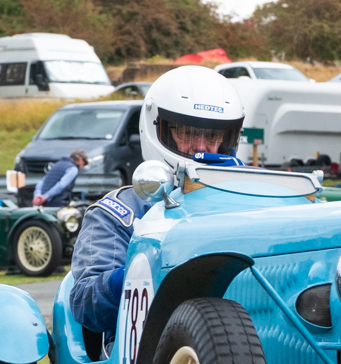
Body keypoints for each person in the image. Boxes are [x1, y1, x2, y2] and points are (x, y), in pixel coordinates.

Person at [70, 66, 246, 338]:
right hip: (148, 346)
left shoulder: (248, 202)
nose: (201, 147)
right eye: (188, 133)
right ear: (157, 128)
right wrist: (143, 270)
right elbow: (86, 302)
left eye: (213, 135)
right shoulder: (119, 212)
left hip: (246, 339)